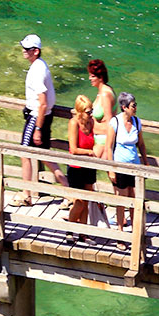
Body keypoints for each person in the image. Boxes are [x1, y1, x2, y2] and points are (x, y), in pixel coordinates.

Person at [16, 34, 61, 205]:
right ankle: (69, 191)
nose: (23, 51)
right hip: (41, 116)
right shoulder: (40, 65)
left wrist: (38, 129)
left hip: (36, 117)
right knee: (45, 156)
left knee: (25, 153)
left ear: (36, 51)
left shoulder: (37, 70)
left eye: (27, 49)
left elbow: (42, 103)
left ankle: (26, 194)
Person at [65, 95, 108, 231]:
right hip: (76, 167)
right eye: (88, 112)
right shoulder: (74, 123)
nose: (91, 114)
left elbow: (104, 131)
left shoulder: (91, 122)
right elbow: (73, 149)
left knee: (87, 200)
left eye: (92, 111)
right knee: (79, 203)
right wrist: (90, 153)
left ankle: (84, 233)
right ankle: (70, 229)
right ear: (80, 112)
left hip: (89, 166)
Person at [110, 91, 148, 230]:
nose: (135, 108)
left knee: (134, 199)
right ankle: (120, 231)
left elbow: (141, 144)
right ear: (124, 107)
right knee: (122, 200)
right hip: (120, 166)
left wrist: (145, 161)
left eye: (135, 105)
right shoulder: (115, 122)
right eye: (133, 105)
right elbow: (109, 147)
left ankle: (135, 230)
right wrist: (111, 169)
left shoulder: (137, 122)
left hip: (135, 166)